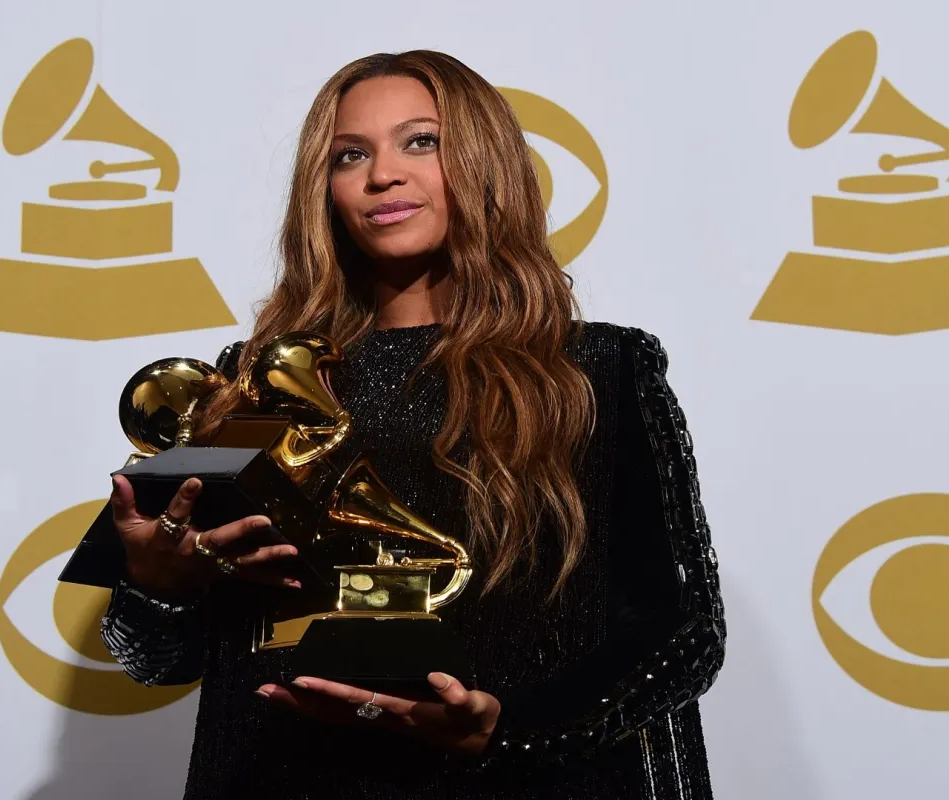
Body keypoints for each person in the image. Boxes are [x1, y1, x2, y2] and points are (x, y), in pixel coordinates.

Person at [101, 49, 726, 800]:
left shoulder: (593, 369)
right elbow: (155, 658)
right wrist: (157, 587)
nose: (382, 175)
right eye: (349, 155)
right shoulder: (252, 382)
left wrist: (510, 726)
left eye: (420, 141)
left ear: (484, 160)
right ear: (323, 188)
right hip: (285, 776)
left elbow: (681, 632)